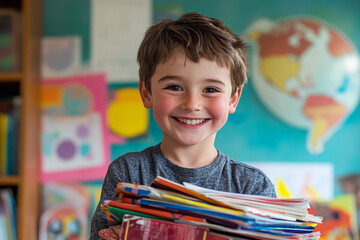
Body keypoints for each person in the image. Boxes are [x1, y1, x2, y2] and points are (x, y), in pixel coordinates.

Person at [90, 12, 276, 239]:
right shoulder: (128, 171)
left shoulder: (252, 186)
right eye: (174, 87)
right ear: (147, 93)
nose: (192, 104)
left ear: (232, 99)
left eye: (210, 89)